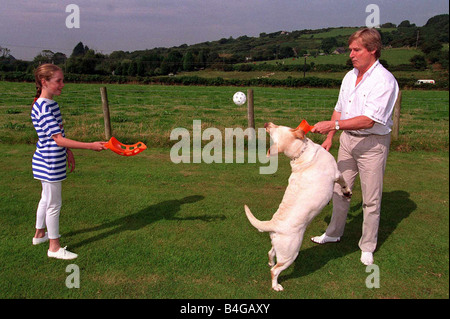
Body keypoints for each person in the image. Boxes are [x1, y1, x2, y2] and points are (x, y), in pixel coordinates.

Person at [310, 28, 399, 265]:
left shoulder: (384, 81)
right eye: (350, 49)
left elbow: (369, 120)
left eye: (356, 49)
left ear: (373, 50)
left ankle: (367, 245)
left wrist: (334, 124)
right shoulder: (350, 76)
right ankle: (333, 233)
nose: (351, 54)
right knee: (340, 190)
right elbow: (340, 107)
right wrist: (331, 136)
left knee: (371, 199)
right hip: (347, 141)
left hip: (373, 144)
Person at [31, 64, 107, 260]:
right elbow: (57, 139)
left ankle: (40, 234)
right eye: (58, 81)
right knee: (53, 204)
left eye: (62, 80)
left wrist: (68, 151)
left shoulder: (51, 105)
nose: (62, 85)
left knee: (46, 198)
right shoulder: (43, 107)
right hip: (48, 162)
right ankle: (54, 248)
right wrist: (90, 145)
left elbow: (58, 137)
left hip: (51, 158)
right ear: (44, 82)